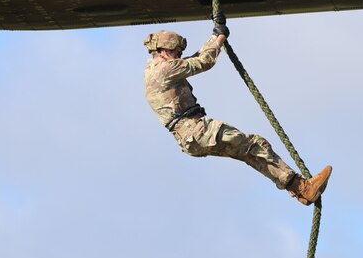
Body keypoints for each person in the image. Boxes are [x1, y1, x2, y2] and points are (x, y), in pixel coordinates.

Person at [143, 28, 333, 205]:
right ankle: (302, 187)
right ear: (164, 50)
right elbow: (203, 61)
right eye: (176, 51)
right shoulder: (165, 70)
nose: (179, 55)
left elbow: (193, 59)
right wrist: (219, 38)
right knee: (253, 145)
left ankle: (298, 189)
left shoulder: (154, 69)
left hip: (191, 138)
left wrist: (215, 37)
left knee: (249, 150)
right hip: (197, 130)